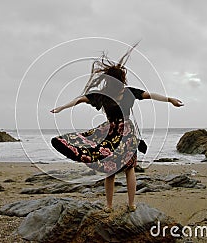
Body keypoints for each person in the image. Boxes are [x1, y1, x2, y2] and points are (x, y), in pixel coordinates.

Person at [50, 45, 183, 212]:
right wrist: (62, 108)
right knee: (110, 170)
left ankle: (131, 204)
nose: (122, 83)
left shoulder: (130, 92)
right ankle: (109, 206)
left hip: (127, 134)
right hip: (110, 134)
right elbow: (80, 99)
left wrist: (170, 99)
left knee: (129, 168)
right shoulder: (102, 95)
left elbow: (150, 95)